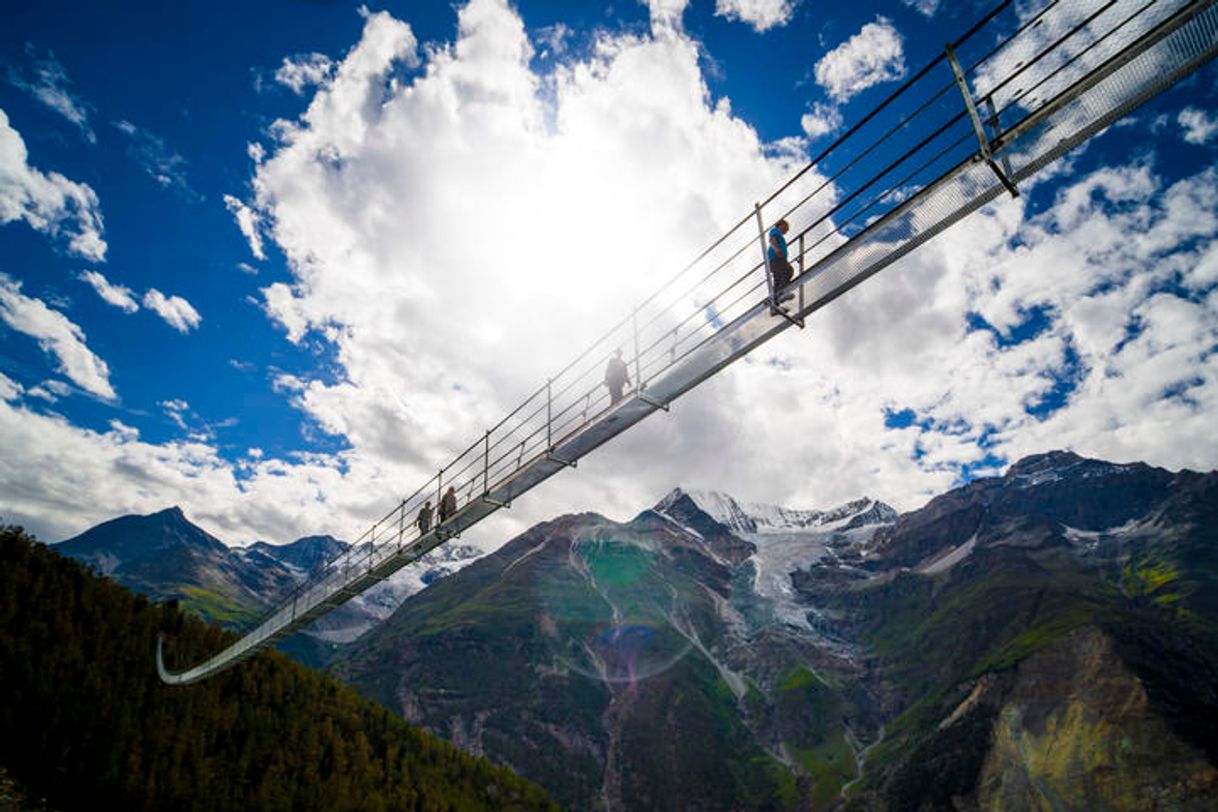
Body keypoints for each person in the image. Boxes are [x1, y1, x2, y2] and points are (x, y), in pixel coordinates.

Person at [768, 219, 796, 304]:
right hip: (777, 258)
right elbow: (772, 240)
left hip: (776, 259)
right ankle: (782, 293)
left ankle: (775, 303)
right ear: (781, 225)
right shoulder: (775, 231)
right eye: (786, 228)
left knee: (778, 279)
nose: (786, 231)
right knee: (787, 271)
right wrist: (777, 249)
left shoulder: (778, 233)